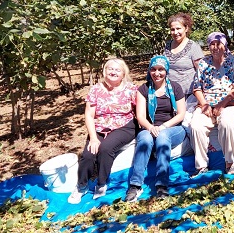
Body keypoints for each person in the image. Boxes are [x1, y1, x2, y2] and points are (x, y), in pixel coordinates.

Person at [68, 58, 138, 204]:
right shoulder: (96, 89)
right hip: (100, 126)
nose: (113, 72)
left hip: (124, 126)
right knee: (88, 154)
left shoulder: (131, 89)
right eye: (110, 69)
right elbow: (88, 114)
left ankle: (101, 182)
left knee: (106, 148)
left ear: (123, 73)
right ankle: (81, 186)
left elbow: (141, 109)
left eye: (117, 70)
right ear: (104, 71)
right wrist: (93, 137)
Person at [125, 55, 187, 202]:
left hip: (173, 128)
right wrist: (151, 127)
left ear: (166, 70)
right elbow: (140, 116)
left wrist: (164, 126)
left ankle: (162, 184)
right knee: (145, 139)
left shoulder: (176, 88)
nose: (157, 73)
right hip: (150, 127)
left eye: (161, 69)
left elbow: (181, 114)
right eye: (153, 69)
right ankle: (135, 185)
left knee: (163, 136)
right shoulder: (144, 89)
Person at [190, 32, 234, 176]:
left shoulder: (233, 61)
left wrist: (222, 104)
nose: (215, 47)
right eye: (212, 44)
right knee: (196, 125)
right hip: (207, 103)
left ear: (224, 45)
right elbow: (196, 87)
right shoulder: (203, 63)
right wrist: (204, 104)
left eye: (218, 43)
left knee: (227, 122)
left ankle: (229, 162)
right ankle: (201, 166)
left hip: (229, 102)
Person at [164, 13, 204, 97]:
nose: (175, 32)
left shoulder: (193, 47)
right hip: (170, 92)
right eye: (172, 29)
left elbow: (202, 72)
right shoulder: (167, 46)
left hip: (189, 94)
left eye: (178, 28)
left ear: (186, 28)